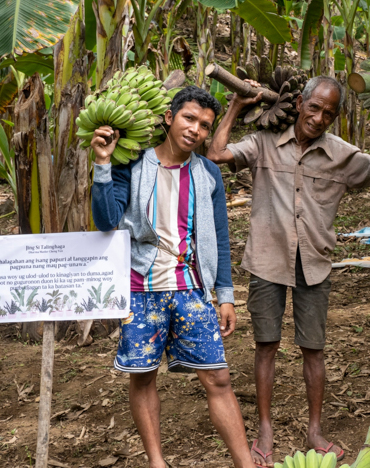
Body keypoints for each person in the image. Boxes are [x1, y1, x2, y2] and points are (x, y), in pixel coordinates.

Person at [206, 77, 370, 467]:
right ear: (299, 103)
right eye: (314, 108)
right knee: (266, 345)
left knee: (313, 349)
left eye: (328, 113)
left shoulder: (341, 154)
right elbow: (215, 154)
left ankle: (314, 429)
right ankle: (265, 427)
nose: (318, 118)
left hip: (314, 263)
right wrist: (235, 105)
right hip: (267, 259)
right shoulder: (266, 142)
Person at [90, 85, 256, 468]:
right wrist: (102, 164)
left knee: (218, 379)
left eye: (204, 125)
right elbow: (106, 222)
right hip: (141, 288)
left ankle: (245, 464)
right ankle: (157, 462)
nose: (196, 129)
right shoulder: (131, 165)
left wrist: (226, 294)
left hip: (190, 287)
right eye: (189, 118)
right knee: (144, 376)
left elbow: (218, 235)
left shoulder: (209, 173)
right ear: (169, 117)